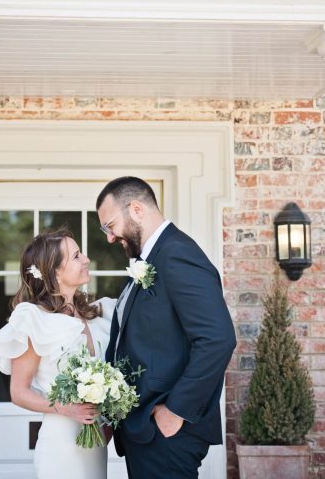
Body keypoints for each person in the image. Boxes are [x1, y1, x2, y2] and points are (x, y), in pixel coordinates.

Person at [96, 176, 237, 479]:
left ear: (136, 209)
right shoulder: (151, 258)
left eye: (109, 226)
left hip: (167, 429)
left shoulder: (177, 253)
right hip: (145, 428)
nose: (109, 238)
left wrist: (176, 411)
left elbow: (217, 339)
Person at [0, 229, 115, 479]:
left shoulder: (93, 313)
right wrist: (67, 409)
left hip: (95, 442)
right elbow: (18, 392)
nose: (86, 259)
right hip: (61, 445)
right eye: (77, 256)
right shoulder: (35, 320)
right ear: (55, 271)